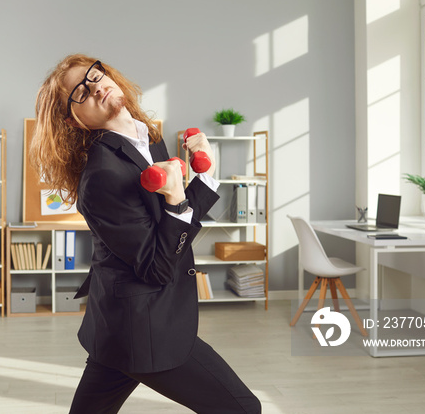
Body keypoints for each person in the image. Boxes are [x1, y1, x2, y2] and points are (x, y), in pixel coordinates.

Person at [31, 54, 261, 414]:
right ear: (73, 120)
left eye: (95, 74)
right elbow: (158, 264)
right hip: (144, 328)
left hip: (119, 323)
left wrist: (204, 177)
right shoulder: (102, 175)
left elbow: (175, 227)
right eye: (81, 92)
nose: (96, 86)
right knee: (243, 409)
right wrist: (174, 199)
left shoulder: (147, 138)